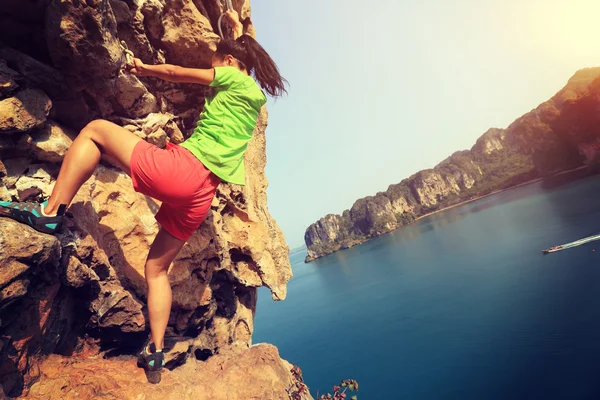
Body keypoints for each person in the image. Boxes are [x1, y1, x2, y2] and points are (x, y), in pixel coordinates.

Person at [0, 9, 286, 377]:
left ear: (230, 63)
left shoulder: (230, 75)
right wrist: (230, 28)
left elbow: (176, 73)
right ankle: (156, 351)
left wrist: (143, 68)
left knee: (94, 130)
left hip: (184, 170)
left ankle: (50, 211)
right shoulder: (254, 97)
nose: (215, 69)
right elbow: (236, 52)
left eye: (219, 62)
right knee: (156, 269)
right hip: (202, 195)